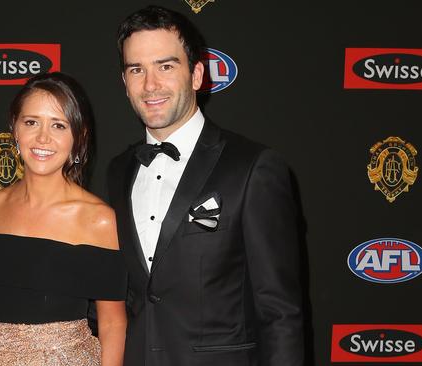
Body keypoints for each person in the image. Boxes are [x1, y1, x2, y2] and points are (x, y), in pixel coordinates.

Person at [107, 5, 305, 366]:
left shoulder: (253, 168)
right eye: (137, 70)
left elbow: (280, 312)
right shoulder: (118, 171)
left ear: (197, 75)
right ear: (125, 83)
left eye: (166, 66)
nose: (150, 85)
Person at [0, 72, 127, 366]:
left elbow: (113, 324)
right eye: (31, 122)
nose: (43, 138)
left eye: (58, 125)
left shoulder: (97, 219)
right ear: (15, 129)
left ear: (79, 137)